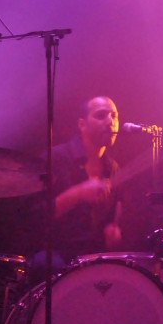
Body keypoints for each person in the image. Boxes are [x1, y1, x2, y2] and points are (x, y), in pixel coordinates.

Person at [47, 95, 123, 264]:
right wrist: (78, 193)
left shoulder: (113, 168)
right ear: (82, 124)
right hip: (56, 254)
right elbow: (34, 219)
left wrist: (111, 231)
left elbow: (111, 220)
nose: (111, 122)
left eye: (114, 116)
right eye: (101, 115)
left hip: (91, 258)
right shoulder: (56, 158)